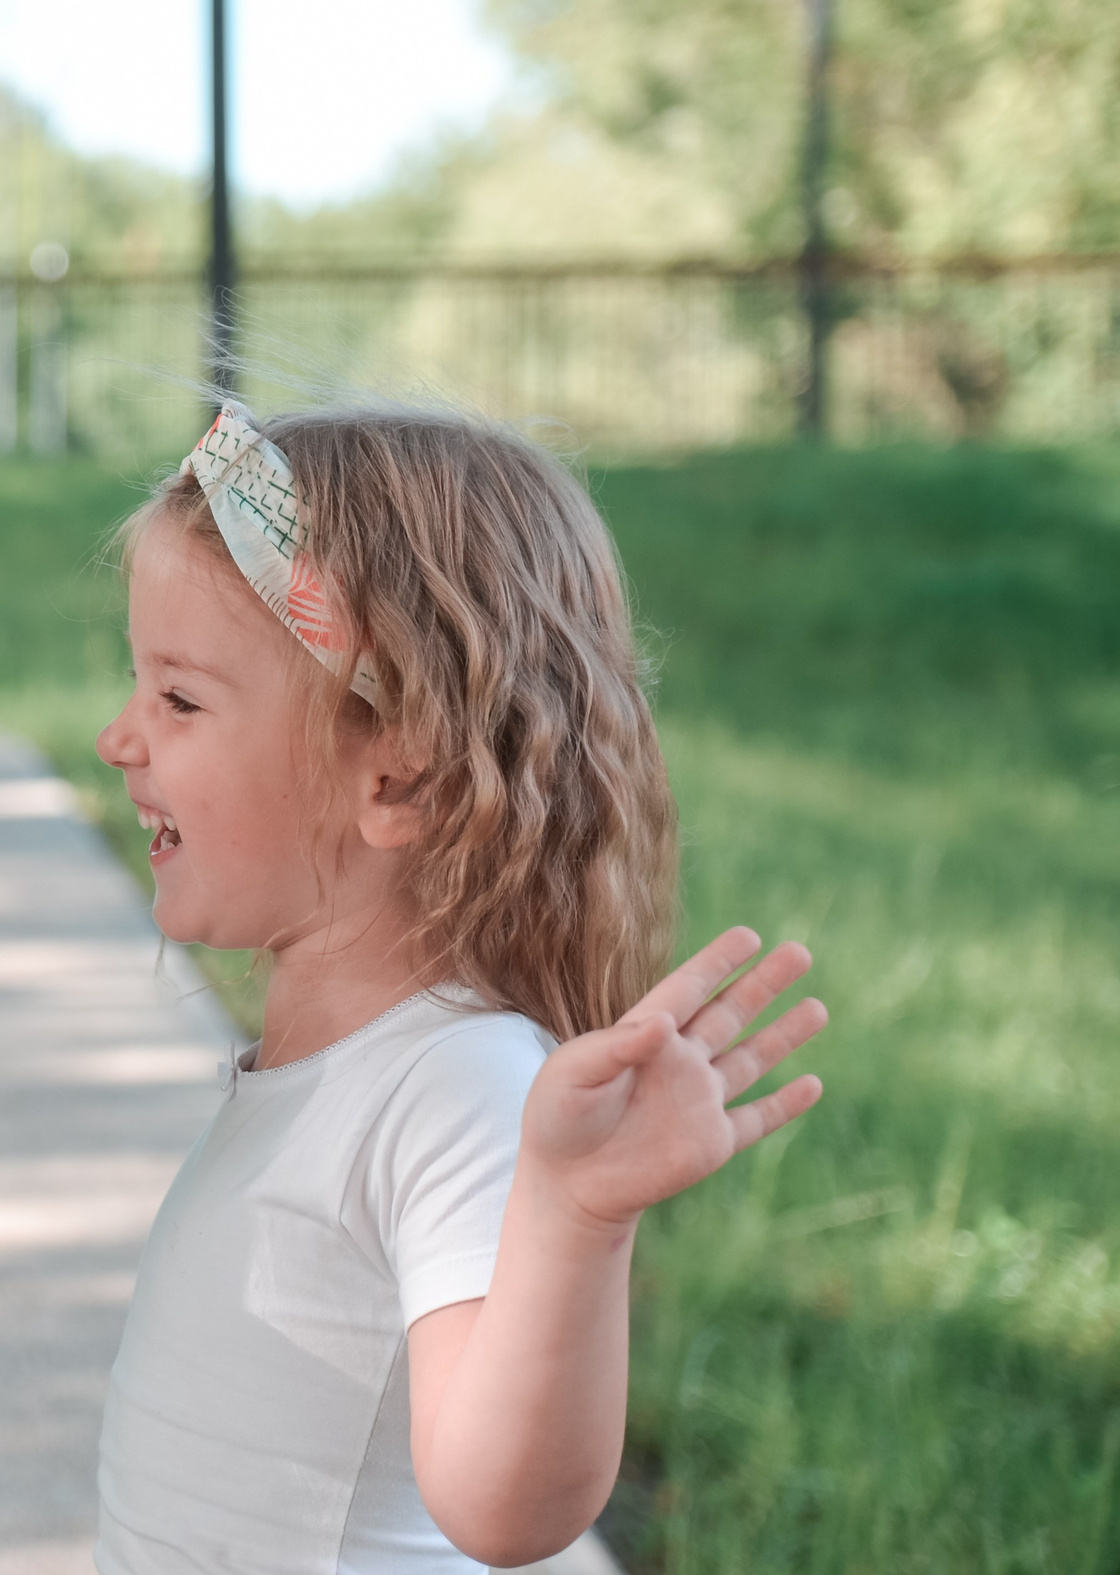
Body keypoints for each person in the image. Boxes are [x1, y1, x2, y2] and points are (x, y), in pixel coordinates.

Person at [93, 404, 830, 1573]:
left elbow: (508, 1510)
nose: (118, 739)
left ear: (394, 771)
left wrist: (576, 1220)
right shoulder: (340, 1072)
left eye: (178, 700)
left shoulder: (454, 1082)